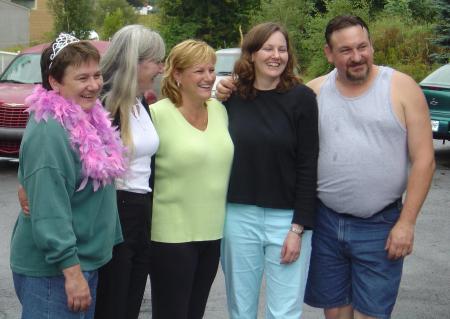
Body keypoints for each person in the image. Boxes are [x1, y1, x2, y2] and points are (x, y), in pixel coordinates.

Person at [302, 15, 435, 319]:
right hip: (325, 223)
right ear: (329, 53)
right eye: (346, 50)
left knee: (371, 315)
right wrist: (230, 90)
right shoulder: (314, 93)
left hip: (381, 225)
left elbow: (425, 160)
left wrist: (407, 223)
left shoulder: (401, 88)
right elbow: (271, 111)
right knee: (335, 314)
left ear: (371, 45)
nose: (357, 56)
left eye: (363, 46)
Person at [10, 33, 126, 319]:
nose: (94, 85)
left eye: (97, 75)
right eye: (82, 77)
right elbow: (50, 210)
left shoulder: (88, 117)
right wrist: (72, 274)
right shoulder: (51, 131)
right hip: (56, 273)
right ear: (54, 82)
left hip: (80, 263)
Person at [217, 22, 319, 319]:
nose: (276, 56)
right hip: (238, 216)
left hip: (286, 221)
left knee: (285, 311)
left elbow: (308, 164)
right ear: (251, 54)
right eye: (268, 48)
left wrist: (298, 228)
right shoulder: (231, 98)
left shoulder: (302, 99)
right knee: (240, 309)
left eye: (282, 49)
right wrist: (219, 91)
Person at [149, 39, 234, 319]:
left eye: (211, 70)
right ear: (177, 74)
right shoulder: (156, 116)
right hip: (171, 238)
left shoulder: (220, 110)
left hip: (212, 235)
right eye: (199, 71)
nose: (209, 77)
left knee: (194, 312)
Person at [94, 25, 165, 319]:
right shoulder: (104, 105)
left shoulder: (140, 102)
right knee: (113, 302)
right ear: (135, 62)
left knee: (131, 300)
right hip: (117, 212)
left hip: (141, 210)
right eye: (157, 61)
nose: (162, 67)